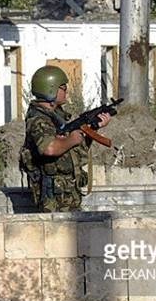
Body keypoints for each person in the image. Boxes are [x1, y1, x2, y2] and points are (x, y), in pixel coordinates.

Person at [19, 65, 111, 212]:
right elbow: (49, 148)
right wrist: (72, 139)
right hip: (53, 199)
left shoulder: (57, 117)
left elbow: (75, 151)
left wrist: (93, 128)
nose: (66, 91)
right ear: (51, 89)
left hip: (67, 193)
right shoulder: (39, 119)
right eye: (63, 87)